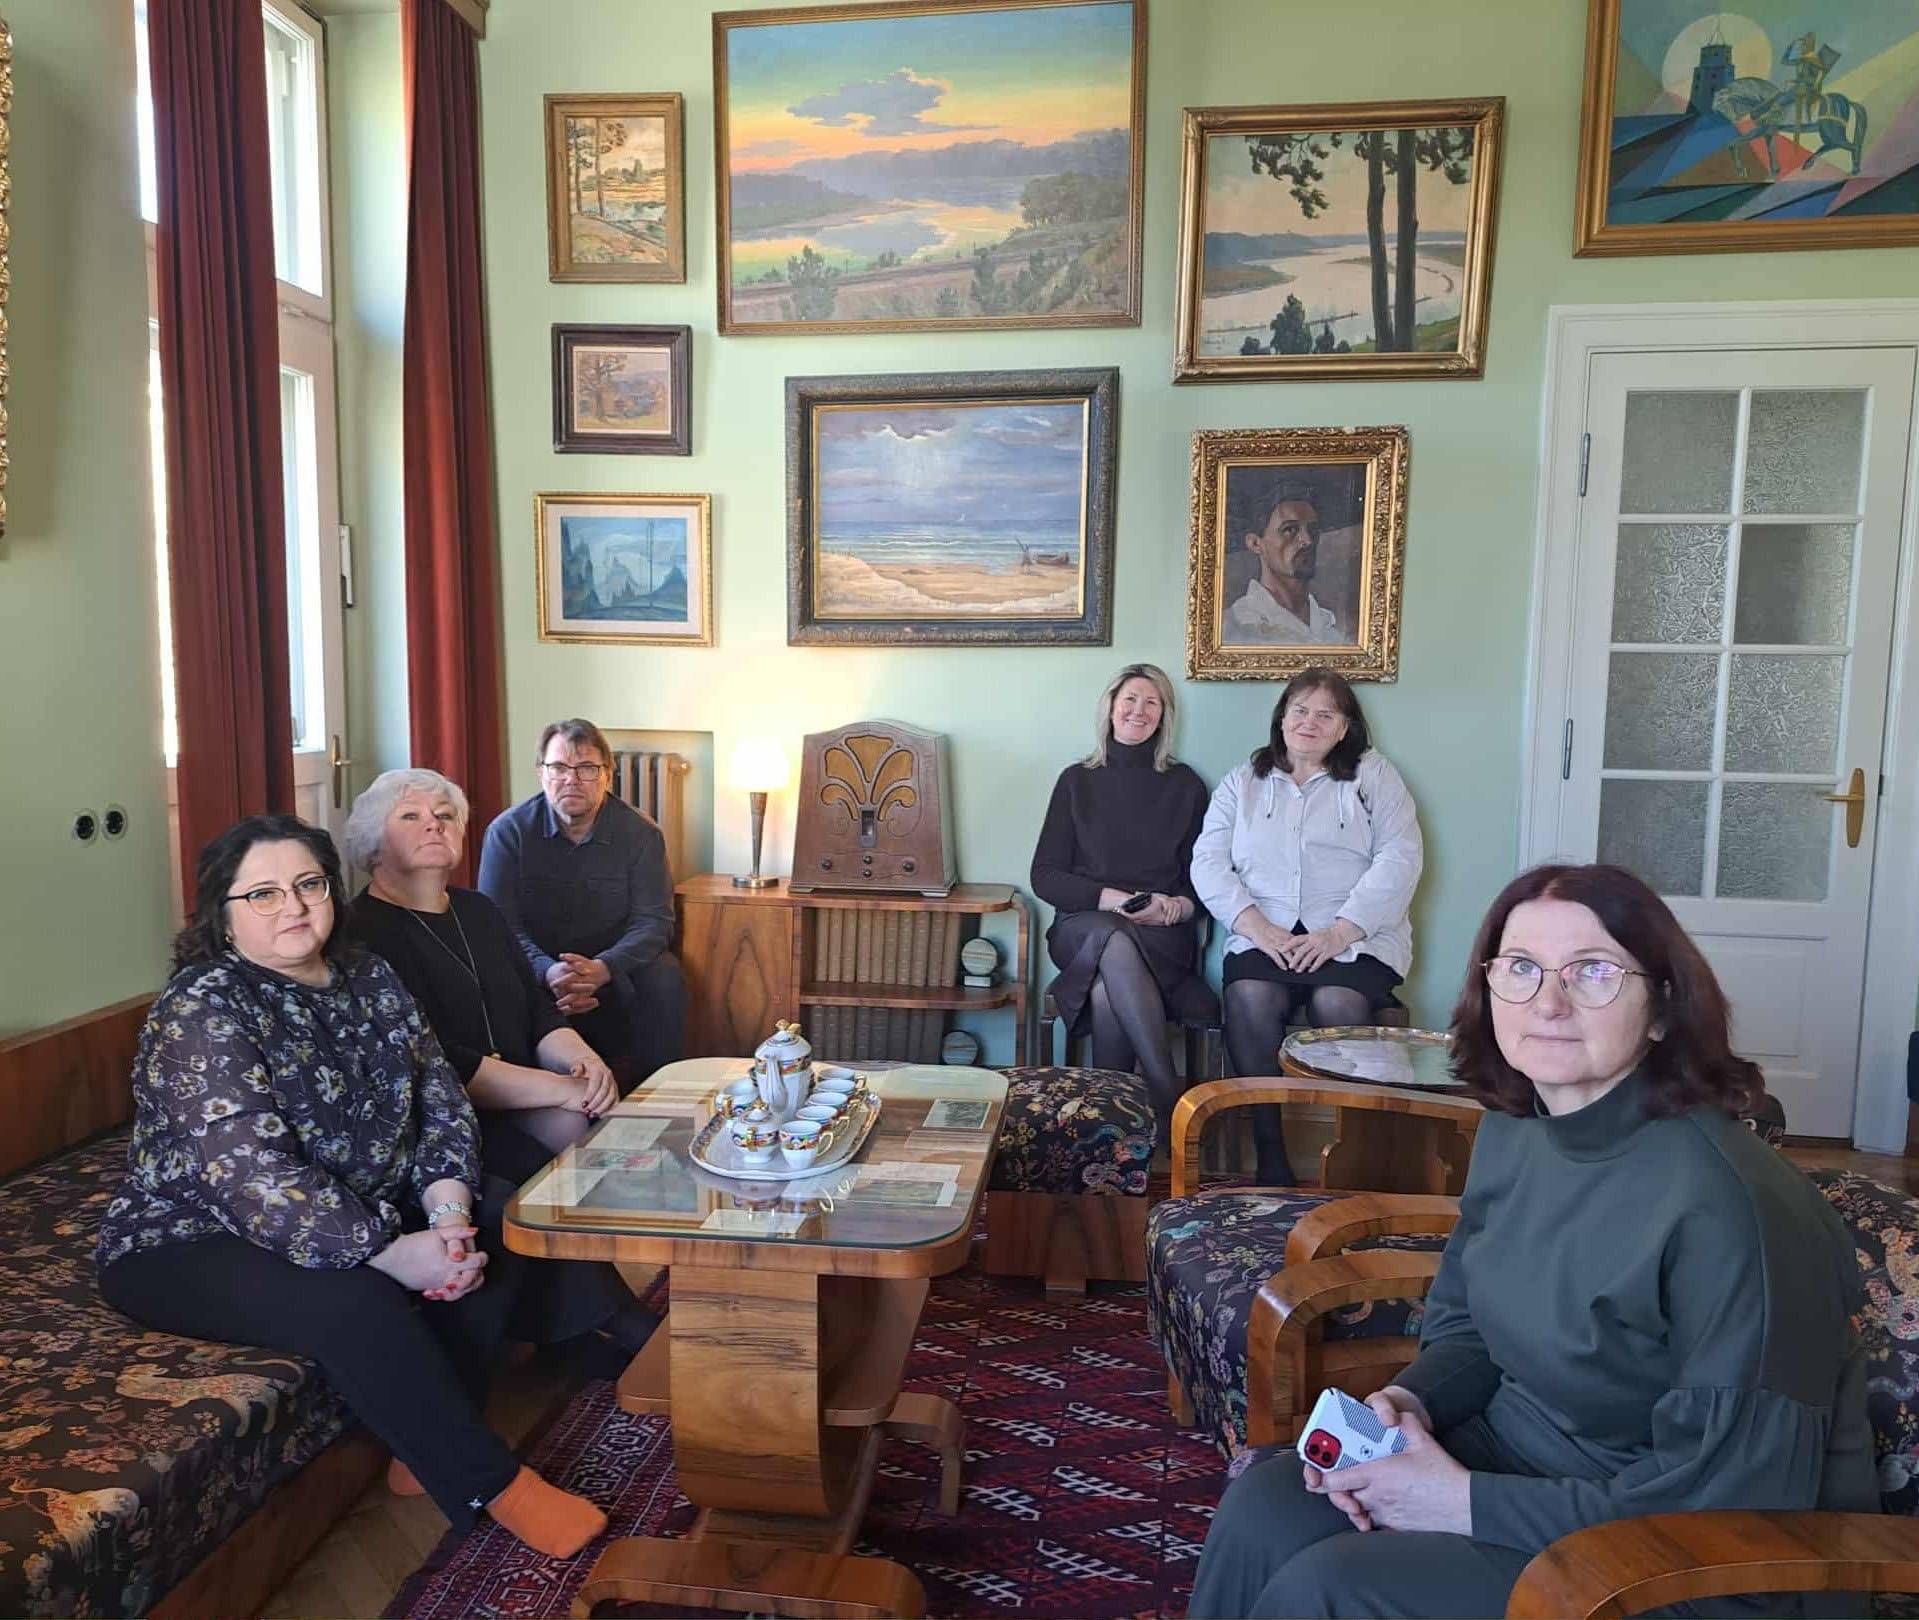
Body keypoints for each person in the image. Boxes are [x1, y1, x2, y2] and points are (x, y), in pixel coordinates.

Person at [1187, 863, 1875, 1620]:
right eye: (1520, 967)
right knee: (1269, 1508)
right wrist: (1409, 1403)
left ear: (1661, 1008)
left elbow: (1730, 1504)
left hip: (1685, 1556)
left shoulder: (1734, 1209)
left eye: (1593, 971)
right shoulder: (1516, 1129)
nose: (1548, 1002)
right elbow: (1468, 1326)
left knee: (1331, 1590)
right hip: (1516, 1463)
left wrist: (1458, 1503)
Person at [95, 816, 608, 1559]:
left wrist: (447, 1210)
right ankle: (490, 1484)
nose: (293, 906)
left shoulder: (370, 977)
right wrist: (391, 1252)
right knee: (354, 1294)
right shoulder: (202, 1007)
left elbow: (440, 1100)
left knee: (496, 1215)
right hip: (188, 1238)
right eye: (263, 894)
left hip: (357, 1200)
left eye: (308, 884)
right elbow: (253, 1177)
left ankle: (426, 1446)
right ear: (222, 914)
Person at [344, 768, 656, 1357]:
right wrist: (558, 1089)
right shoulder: (361, 934)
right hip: (430, 1118)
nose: (434, 824)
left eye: (445, 815)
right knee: (533, 1162)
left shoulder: (478, 911)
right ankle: (601, 1321)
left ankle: (578, 1324)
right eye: (411, 816)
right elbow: (433, 1060)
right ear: (371, 842)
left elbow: (537, 1011)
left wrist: (583, 1063)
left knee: (591, 1123)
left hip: (510, 1092)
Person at [1191, 668, 1422, 1182]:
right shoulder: (1244, 781)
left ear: (1344, 728)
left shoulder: (1373, 775)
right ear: (1281, 718)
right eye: (1299, 710)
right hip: (1264, 935)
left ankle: (1352, 1158)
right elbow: (1207, 862)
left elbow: (1401, 858)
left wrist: (1340, 932)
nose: (1309, 722)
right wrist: (1257, 927)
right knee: (1250, 996)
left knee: (1336, 1003)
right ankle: (1270, 1155)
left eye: (1325, 714)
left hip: (1353, 938)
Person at [1030, 664, 1215, 1129]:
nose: (1139, 710)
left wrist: (1176, 907)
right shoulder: (1076, 780)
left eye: (1152, 702)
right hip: (1084, 926)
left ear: (1164, 715)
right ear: (1111, 707)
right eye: (1130, 699)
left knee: (1105, 990)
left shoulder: (1186, 785)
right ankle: (1167, 1099)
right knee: (1112, 937)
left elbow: (1203, 879)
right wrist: (1113, 899)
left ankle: (1112, 1128)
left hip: (1160, 935)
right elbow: (1045, 876)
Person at [479, 718, 687, 1083]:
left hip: (615, 967)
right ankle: (527, 1092)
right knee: (492, 973)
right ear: (541, 772)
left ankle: (657, 1090)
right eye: (559, 767)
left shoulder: (641, 834)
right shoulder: (508, 832)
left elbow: (654, 922)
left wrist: (604, 968)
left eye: (586, 768)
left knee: (665, 976)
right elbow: (498, 925)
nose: (571, 779)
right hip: (538, 968)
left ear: (607, 775)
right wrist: (548, 971)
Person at [1226, 481, 1341, 644]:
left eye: (1313, 530)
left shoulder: (1330, 629)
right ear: (1255, 544)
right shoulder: (1237, 626)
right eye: (1289, 530)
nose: (1307, 541)